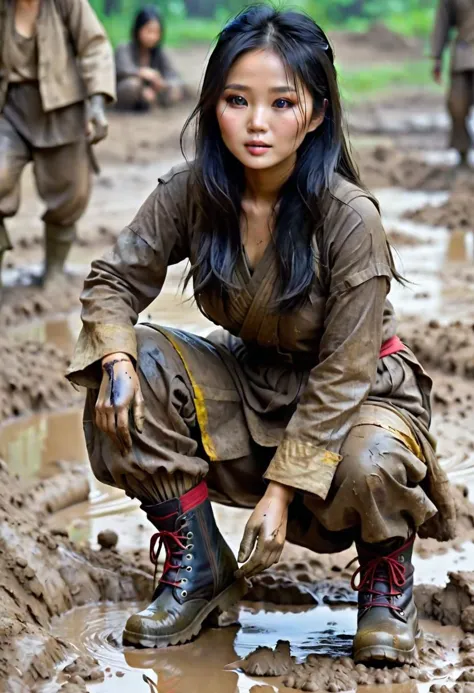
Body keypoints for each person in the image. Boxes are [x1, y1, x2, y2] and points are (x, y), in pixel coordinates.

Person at [67, 5, 455, 665]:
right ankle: (199, 564)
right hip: (253, 379)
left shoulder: (349, 216)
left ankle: (386, 577)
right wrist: (116, 357)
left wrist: (280, 494)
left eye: (281, 102)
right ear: (213, 104)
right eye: (236, 100)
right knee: (136, 370)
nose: (255, 122)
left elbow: (343, 373)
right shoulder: (193, 191)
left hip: (359, 397)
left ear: (318, 112)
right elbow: (113, 280)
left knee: (370, 465)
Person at [0, 0, 115, 289]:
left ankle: (54, 270)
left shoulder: (67, 4)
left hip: (62, 107)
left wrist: (97, 102)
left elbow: (95, 47)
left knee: (70, 190)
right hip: (9, 107)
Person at [115, 5, 188, 111]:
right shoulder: (124, 48)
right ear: (138, 30)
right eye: (148, 31)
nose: (152, 37)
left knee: (175, 88)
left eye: (156, 32)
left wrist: (161, 84)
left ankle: (154, 103)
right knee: (132, 85)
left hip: (154, 92)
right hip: (128, 92)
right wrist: (142, 73)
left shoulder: (160, 52)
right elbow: (121, 70)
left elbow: (173, 76)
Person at [432, 0, 474, 170]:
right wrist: (437, 57)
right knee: (457, 105)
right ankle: (462, 152)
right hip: (463, 56)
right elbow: (442, 22)